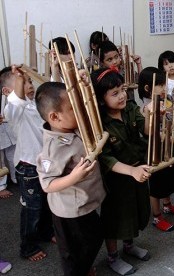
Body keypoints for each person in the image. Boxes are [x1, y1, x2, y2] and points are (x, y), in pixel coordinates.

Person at [35, 81, 105, 276]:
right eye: (74, 107)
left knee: (93, 238)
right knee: (72, 253)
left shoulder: (72, 127)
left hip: (85, 203)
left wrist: (82, 84)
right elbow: (47, 184)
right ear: (55, 117)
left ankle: (85, 266)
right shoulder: (52, 148)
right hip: (69, 212)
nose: (81, 110)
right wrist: (74, 176)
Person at [91, 67, 151, 275]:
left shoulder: (130, 108)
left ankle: (129, 245)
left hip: (138, 169)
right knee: (115, 217)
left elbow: (146, 128)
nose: (122, 95)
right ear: (101, 98)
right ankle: (112, 257)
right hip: (116, 178)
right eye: (114, 93)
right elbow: (106, 158)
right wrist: (131, 171)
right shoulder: (99, 123)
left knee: (133, 212)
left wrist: (153, 115)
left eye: (122, 89)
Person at [3, 66, 55, 262]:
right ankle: (28, 246)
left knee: (47, 203)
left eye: (29, 81)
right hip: (28, 167)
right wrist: (19, 79)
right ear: (7, 92)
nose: (29, 86)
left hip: (45, 164)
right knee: (32, 208)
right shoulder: (14, 110)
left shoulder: (35, 105)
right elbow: (16, 102)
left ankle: (45, 232)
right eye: (23, 83)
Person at [138, 66, 174, 231]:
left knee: (167, 180)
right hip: (154, 153)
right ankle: (157, 217)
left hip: (167, 147)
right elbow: (156, 134)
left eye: (165, 84)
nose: (165, 88)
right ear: (148, 88)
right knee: (156, 186)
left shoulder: (162, 101)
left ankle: (167, 205)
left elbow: (169, 124)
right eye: (161, 85)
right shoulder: (146, 107)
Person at [0, 69, 17, 198]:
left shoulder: (5, 86)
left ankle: (16, 178)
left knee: (13, 154)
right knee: (1, 160)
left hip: (8, 125)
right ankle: (1, 186)